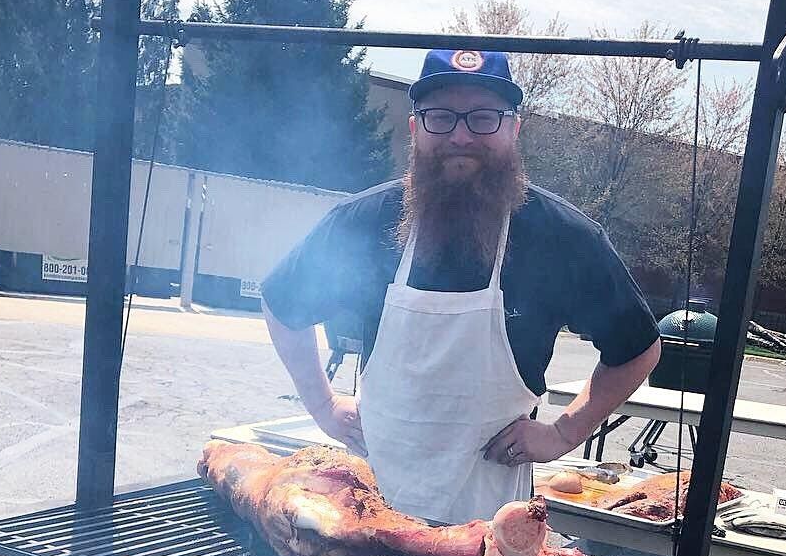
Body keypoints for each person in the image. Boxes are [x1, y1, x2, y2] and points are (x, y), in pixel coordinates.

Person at [261, 47, 661, 524]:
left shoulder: (562, 237)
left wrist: (563, 434)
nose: (461, 135)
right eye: (440, 118)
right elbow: (282, 303)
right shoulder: (366, 222)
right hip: (369, 509)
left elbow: (638, 348)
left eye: (484, 118)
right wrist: (325, 406)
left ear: (514, 128)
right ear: (415, 129)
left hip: (491, 522)